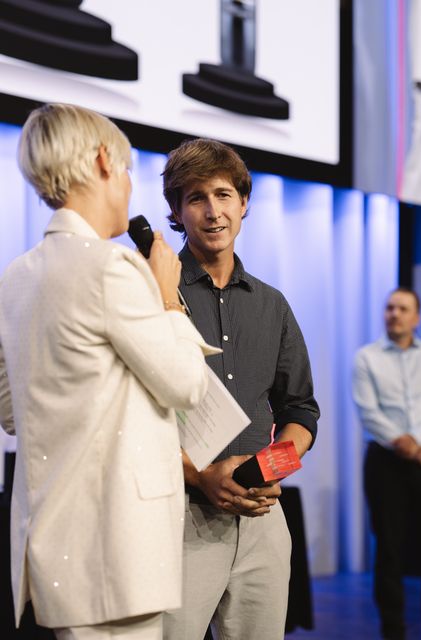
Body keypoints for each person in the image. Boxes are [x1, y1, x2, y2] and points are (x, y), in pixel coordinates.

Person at [0, 104, 219, 640]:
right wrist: (166, 296)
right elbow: (187, 384)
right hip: (117, 548)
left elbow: (11, 412)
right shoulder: (112, 267)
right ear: (102, 160)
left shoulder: (15, 276)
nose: (126, 184)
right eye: (124, 169)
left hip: (52, 541)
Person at [161, 137, 320, 640]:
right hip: (177, 517)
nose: (213, 212)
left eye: (224, 195)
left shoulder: (272, 305)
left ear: (244, 203)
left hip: (262, 521)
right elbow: (128, 418)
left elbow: (301, 411)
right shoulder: (153, 294)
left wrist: (268, 469)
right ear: (176, 211)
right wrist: (200, 474)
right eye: (197, 198)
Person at [352, 287, 421, 640]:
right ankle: (393, 630)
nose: (394, 314)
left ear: (416, 317)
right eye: (390, 308)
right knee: (389, 548)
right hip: (386, 462)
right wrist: (405, 444)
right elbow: (368, 411)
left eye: (402, 309)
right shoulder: (367, 358)